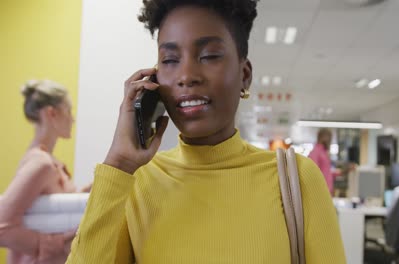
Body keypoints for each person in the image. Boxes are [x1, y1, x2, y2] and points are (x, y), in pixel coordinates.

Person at [67, 0, 346, 263]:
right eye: (170, 60)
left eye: (209, 55)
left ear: (244, 75)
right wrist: (119, 163)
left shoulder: (297, 178)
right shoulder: (136, 183)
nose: (186, 75)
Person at [0, 80, 89, 264]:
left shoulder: (49, 163)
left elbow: (49, 208)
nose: (72, 119)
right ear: (52, 113)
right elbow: (2, 227)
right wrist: (59, 244)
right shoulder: (41, 163)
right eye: (68, 110)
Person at [308, 128, 340, 195]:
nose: (330, 140)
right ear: (322, 137)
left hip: (326, 191)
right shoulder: (316, 152)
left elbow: (327, 172)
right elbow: (313, 173)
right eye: (329, 137)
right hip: (320, 192)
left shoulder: (324, 152)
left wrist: (342, 172)